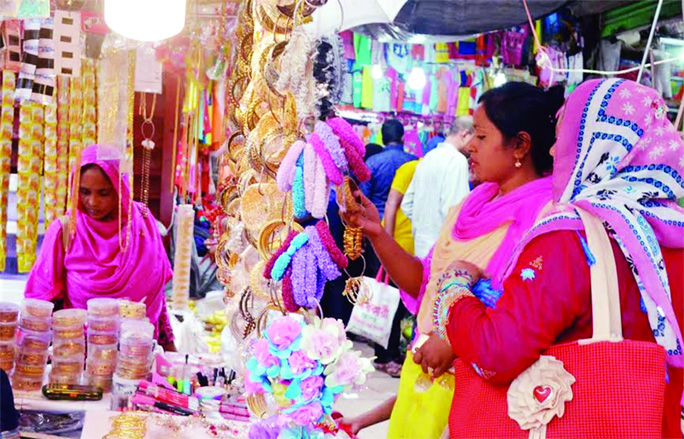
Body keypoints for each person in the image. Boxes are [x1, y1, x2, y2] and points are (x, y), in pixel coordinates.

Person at [435, 78, 683, 438]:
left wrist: (454, 290)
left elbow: (496, 351)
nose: (553, 152)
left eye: (563, 136)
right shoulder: (673, 234)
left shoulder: (570, 238)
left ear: (599, 145)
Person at [341, 82, 565, 438]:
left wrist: (456, 344)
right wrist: (376, 232)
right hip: (429, 386)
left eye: (481, 136)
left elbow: (521, 328)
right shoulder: (471, 206)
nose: (470, 145)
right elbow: (424, 283)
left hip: (487, 404)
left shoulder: (547, 218)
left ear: (520, 145)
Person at [25, 144, 176, 350]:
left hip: (135, 356)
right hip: (79, 358)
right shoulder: (65, 231)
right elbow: (40, 302)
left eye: (103, 193)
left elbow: (155, 293)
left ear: (120, 189)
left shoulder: (142, 222)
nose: (92, 202)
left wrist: (168, 344)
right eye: (84, 191)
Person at [402, 116, 473, 258]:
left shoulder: (428, 157)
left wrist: (424, 224)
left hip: (420, 245)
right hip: (442, 251)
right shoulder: (457, 160)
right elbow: (453, 212)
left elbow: (407, 204)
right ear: (464, 135)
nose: (476, 146)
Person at [359, 119, 417, 219]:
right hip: (405, 221)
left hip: (377, 219)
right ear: (403, 138)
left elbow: (364, 196)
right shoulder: (414, 162)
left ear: (383, 140)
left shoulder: (372, 162)